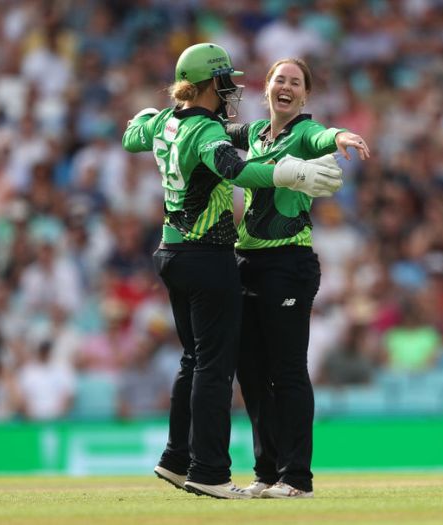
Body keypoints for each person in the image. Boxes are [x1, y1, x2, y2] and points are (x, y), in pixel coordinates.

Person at [121, 43, 343, 500]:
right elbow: (236, 169)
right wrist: (290, 173)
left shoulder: (167, 121)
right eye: (225, 81)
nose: (231, 89)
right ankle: (210, 470)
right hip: (211, 256)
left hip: (175, 251)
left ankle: (180, 460)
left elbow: (133, 136)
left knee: (202, 361)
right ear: (208, 85)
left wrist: (144, 115)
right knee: (217, 367)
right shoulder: (208, 132)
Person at [226, 58, 370, 499]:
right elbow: (210, 133)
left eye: (295, 82)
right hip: (245, 261)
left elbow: (325, 135)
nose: (286, 87)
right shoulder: (252, 134)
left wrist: (342, 136)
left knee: (287, 371)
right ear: (266, 88)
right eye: (279, 80)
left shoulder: (304, 133)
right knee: (251, 374)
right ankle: (266, 473)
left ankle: (297, 478)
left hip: (289, 264)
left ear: (305, 95)